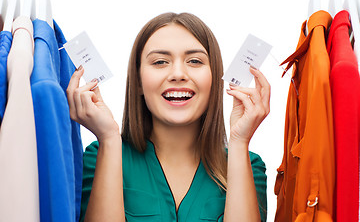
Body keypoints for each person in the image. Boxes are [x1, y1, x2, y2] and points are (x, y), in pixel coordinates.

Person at [67, 12, 270, 222]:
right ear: (138, 82)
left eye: (194, 61)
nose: (178, 73)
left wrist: (239, 141)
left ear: (214, 79)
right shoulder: (98, 156)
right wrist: (109, 138)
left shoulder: (249, 164)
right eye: (160, 62)